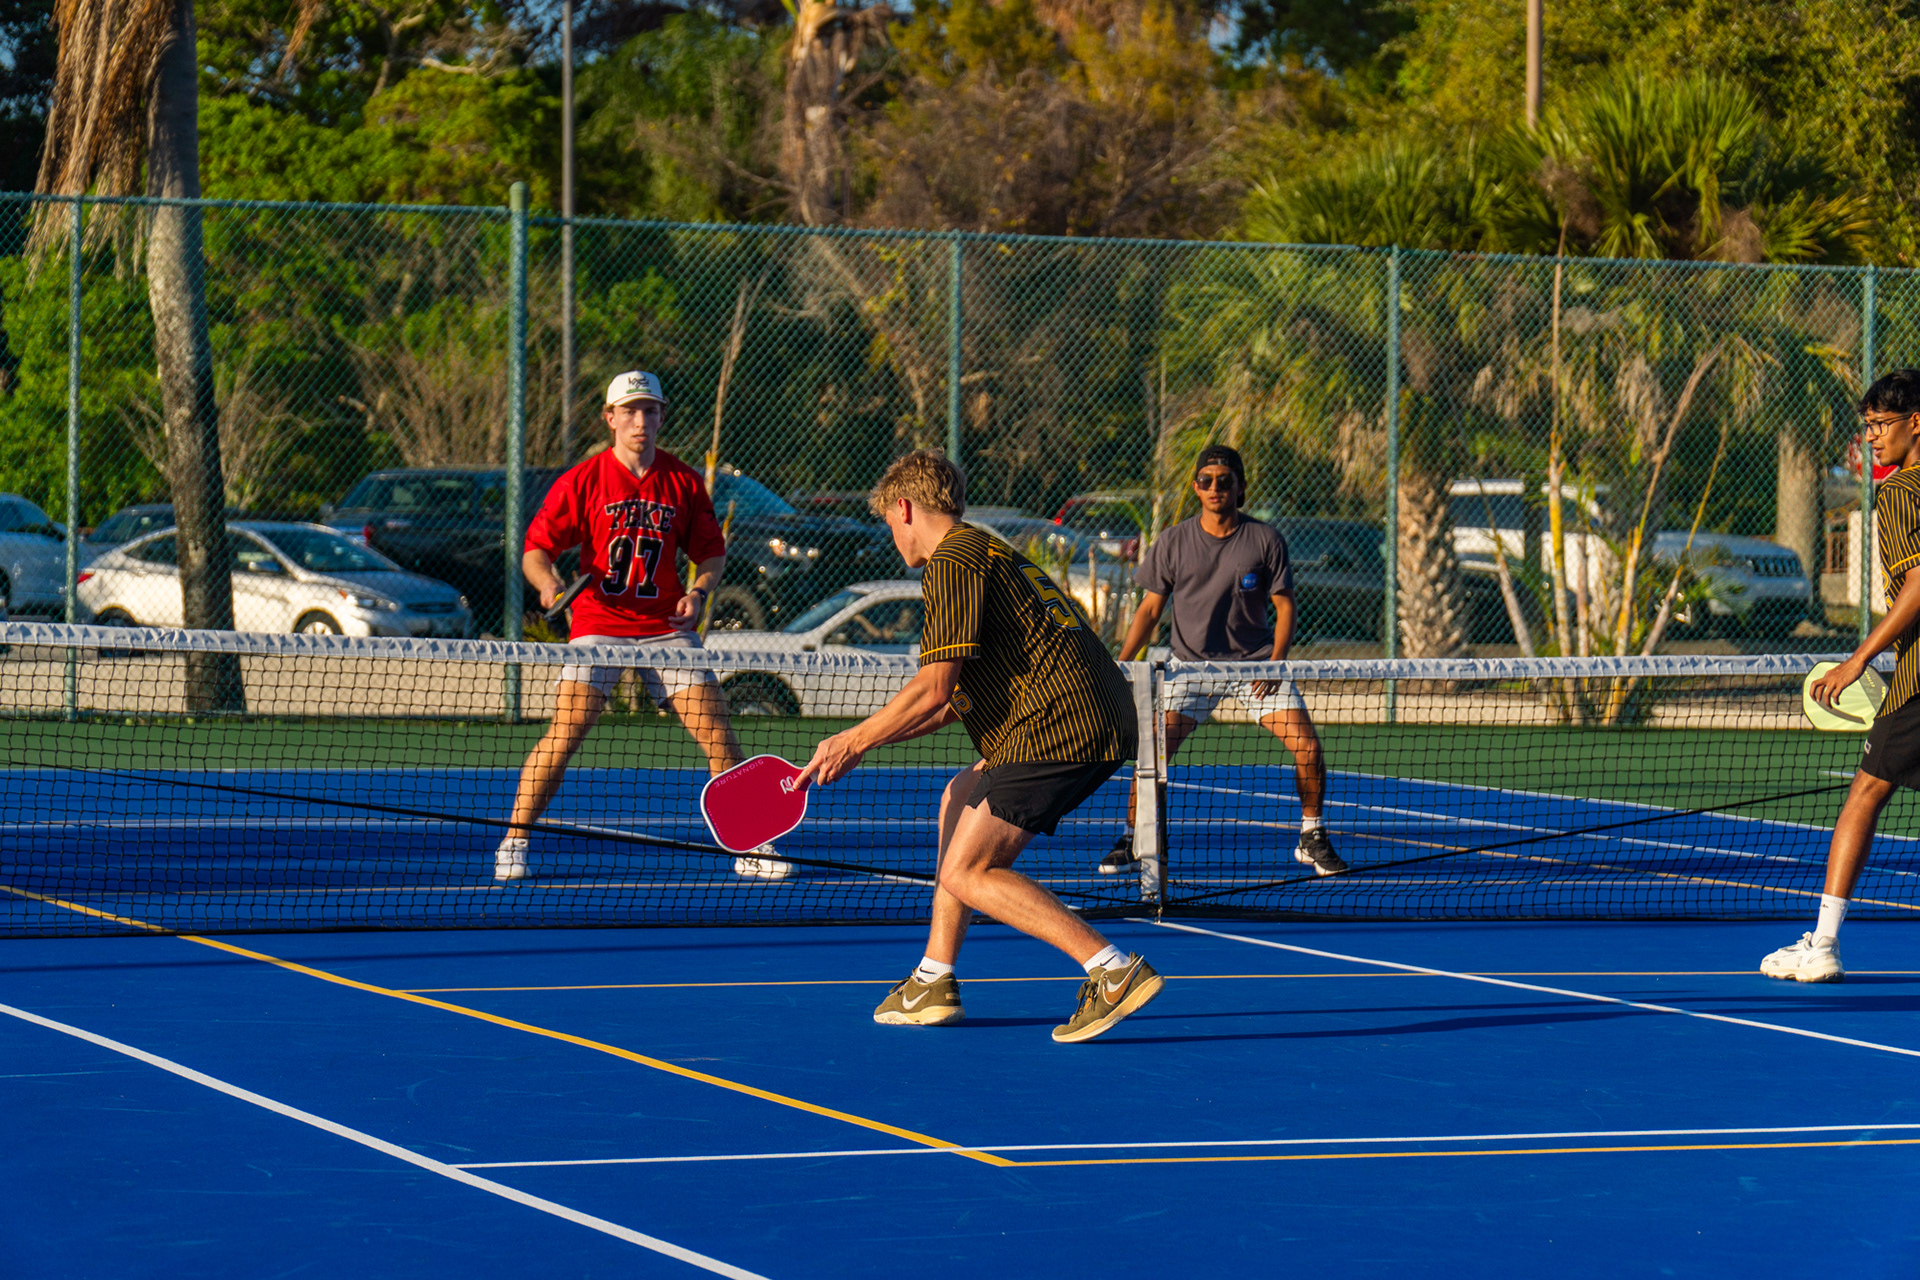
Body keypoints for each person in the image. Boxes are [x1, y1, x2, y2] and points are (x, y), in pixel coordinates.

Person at [794, 450, 1163, 1043]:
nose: (891, 534)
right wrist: (862, 748)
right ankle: (934, 977)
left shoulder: (952, 562)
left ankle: (1112, 969)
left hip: (1060, 721)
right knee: (959, 794)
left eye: (889, 520)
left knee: (969, 870)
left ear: (906, 507)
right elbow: (946, 704)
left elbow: (934, 684)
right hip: (1079, 713)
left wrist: (854, 735)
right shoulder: (983, 550)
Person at [494, 369, 790, 883]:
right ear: (610, 419)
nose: (640, 421)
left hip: (664, 628)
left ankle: (752, 843)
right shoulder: (582, 480)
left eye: (650, 411)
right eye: (629, 411)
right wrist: (546, 585)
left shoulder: (682, 480)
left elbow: (711, 554)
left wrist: (698, 593)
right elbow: (536, 550)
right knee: (565, 734)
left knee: (718, 734)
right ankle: (515, 839)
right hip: (597, 623)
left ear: (661, 418)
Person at [1100, 444, 1347, 878]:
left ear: (1241, 488)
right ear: (1196, 488)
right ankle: (1135, 838)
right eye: (1207, 481)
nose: (1216, 488)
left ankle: (1312, 836)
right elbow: (1149, 611)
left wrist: (1274, 664)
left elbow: (1285, 608)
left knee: (1307, 744)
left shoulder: (1265, 540)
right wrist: (1120, 665)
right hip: (1189, 669)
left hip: (1255, 668)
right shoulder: (1174, 541)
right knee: (1152, 753)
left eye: (1225, 481)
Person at [1765, 369, 1920, 982]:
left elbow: (1918, 586)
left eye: (1882, 425)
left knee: (1865, 792)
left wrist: (1859, 659)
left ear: (1917, 422)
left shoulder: (1904, 492)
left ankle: (1823, 944)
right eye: (1868, 426)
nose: (1872, 438)